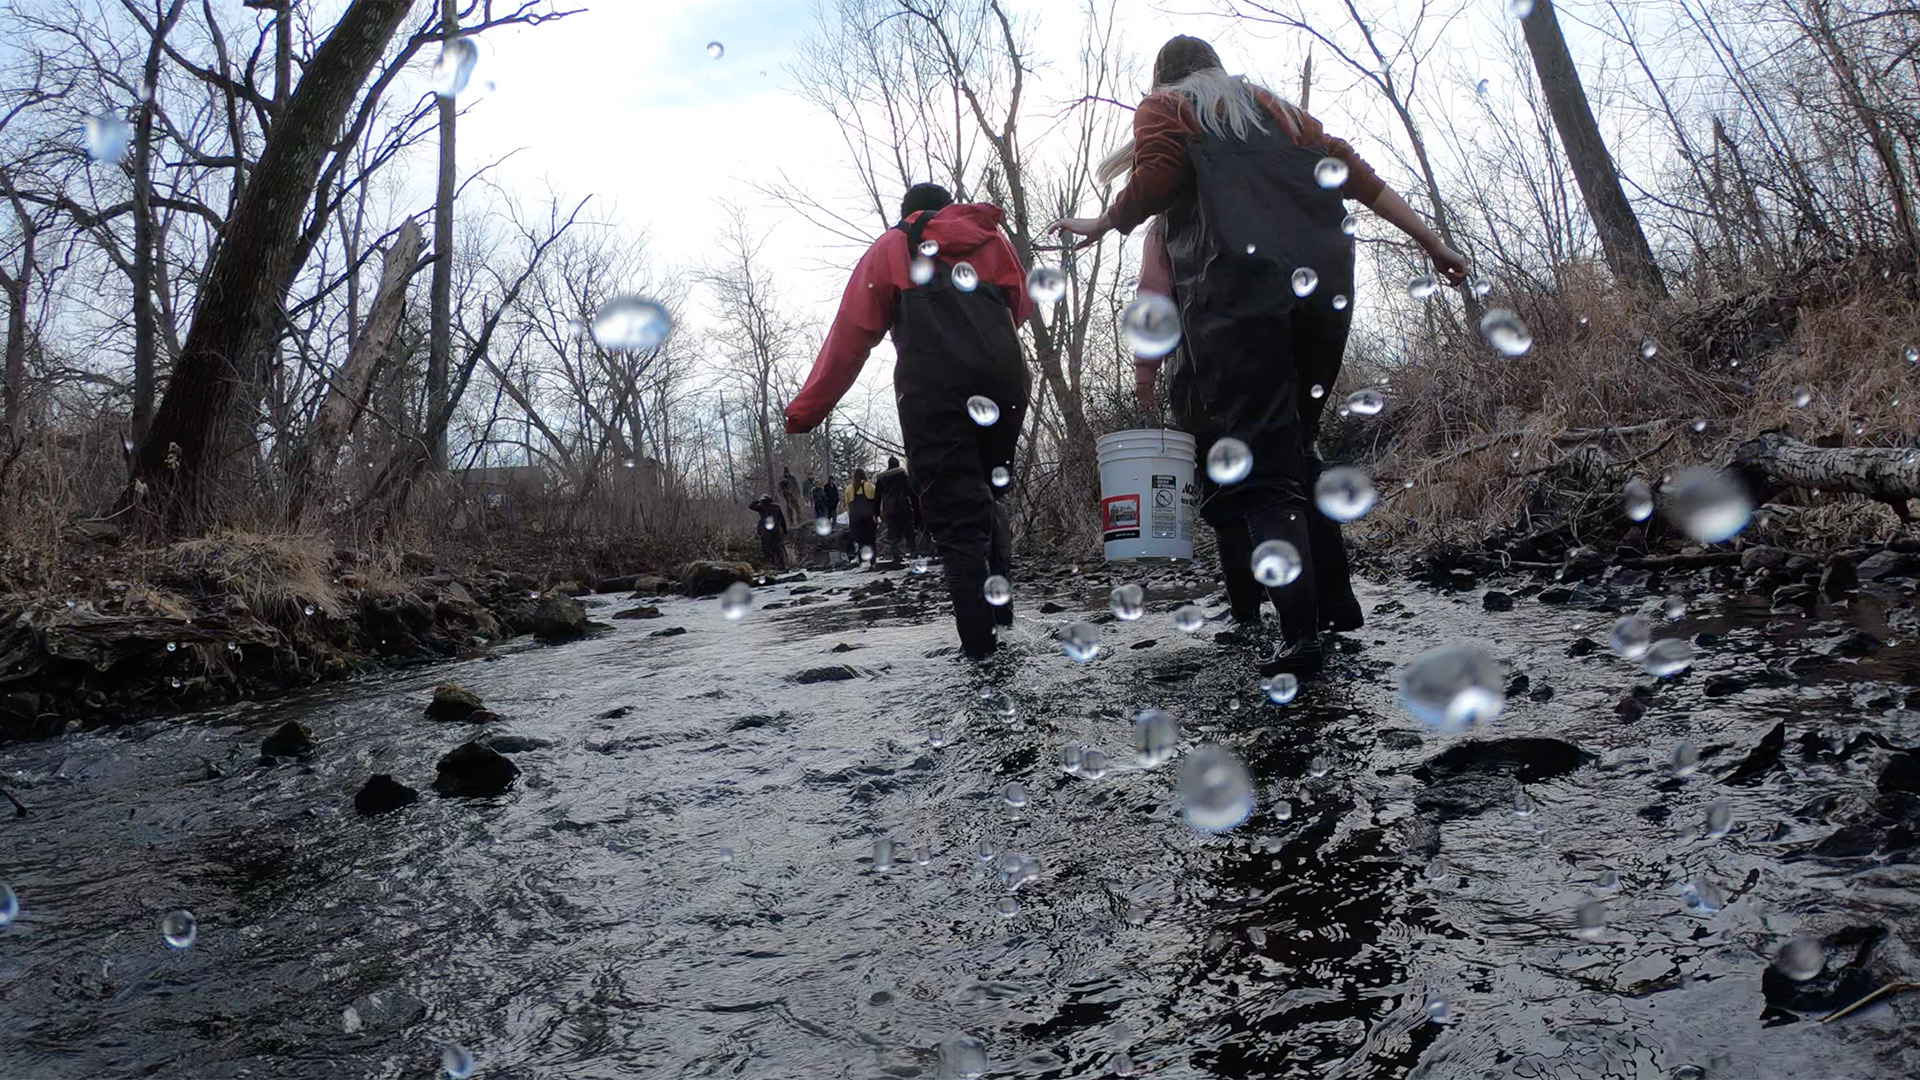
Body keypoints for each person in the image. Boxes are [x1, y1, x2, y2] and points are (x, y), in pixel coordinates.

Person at [1054, 35, 1468, 674]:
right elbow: (1357, 176)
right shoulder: (1279, 116)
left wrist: (1108, 222)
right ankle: (1337, 608)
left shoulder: (1168, 111)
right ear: (1217, 69)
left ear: (1166, 80)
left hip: (1236, 299)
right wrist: (1433, 243)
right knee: (1296, 448)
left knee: (1255, 471)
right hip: (1320, 293)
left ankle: (1299, 637)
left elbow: (1158, 208)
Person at [786, 182, 1032, 656]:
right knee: (987, 491)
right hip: (1005, 381)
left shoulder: (892, 245)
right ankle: (1005, 621)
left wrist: (806, 411)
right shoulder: (991, 238)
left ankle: (983, 660)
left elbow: (852, 336)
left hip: (933, 387)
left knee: (958, 522)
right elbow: (1017, 307)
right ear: (948, 208)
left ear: (908, 212)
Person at [874, 456, 916, 563]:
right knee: (908, 530)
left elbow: (877, 497)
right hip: (903, 506)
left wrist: (876, 512)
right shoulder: (901, 474)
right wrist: (915, 506)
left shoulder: (881, 478)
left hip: (888, 509)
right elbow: (909, 490)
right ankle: (913, 552)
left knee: (893, 533)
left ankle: (896, 555)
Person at [844, 468, 880, 562]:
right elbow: (876, 501)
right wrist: (878, 515)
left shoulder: (849, 488)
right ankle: (872, 560)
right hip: (868, 517)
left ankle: (861, 559)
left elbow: (847, 505)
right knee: (870, 540)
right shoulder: (870, 486)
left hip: (855, 518)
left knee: (860, 540)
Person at [748, 493, 789, 571]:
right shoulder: (776, 507)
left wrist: (757, 500)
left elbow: (751, 506)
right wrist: (785, 529)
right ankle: (782, 565)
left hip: (766, 531)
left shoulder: (761, 507)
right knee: (778, 547)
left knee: (767, 547)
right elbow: (782, 519)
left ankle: (771, 564)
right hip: (776, 530)